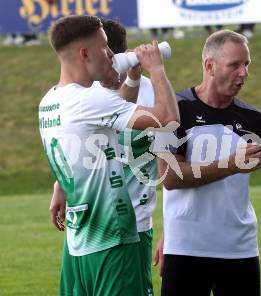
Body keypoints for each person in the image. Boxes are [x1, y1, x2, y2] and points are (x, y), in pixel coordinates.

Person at [40, 15, 179, 295]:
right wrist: (157, 69)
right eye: (105, 47)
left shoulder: (49, 100)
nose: (112, 55)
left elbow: (111, 117)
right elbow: (168, 119)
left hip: (80, 240)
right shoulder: (88, 100)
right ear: (84, 53)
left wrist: (134, 76)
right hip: (114, 238)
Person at [153, 29, 261, 296]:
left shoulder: (255, 120)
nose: (243, 73)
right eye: (234, 65)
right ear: (209, 66)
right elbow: (170, 177)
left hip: (240, 249)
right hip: (186, 248)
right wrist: (232, 165)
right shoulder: (176, 109)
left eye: (246, 64)